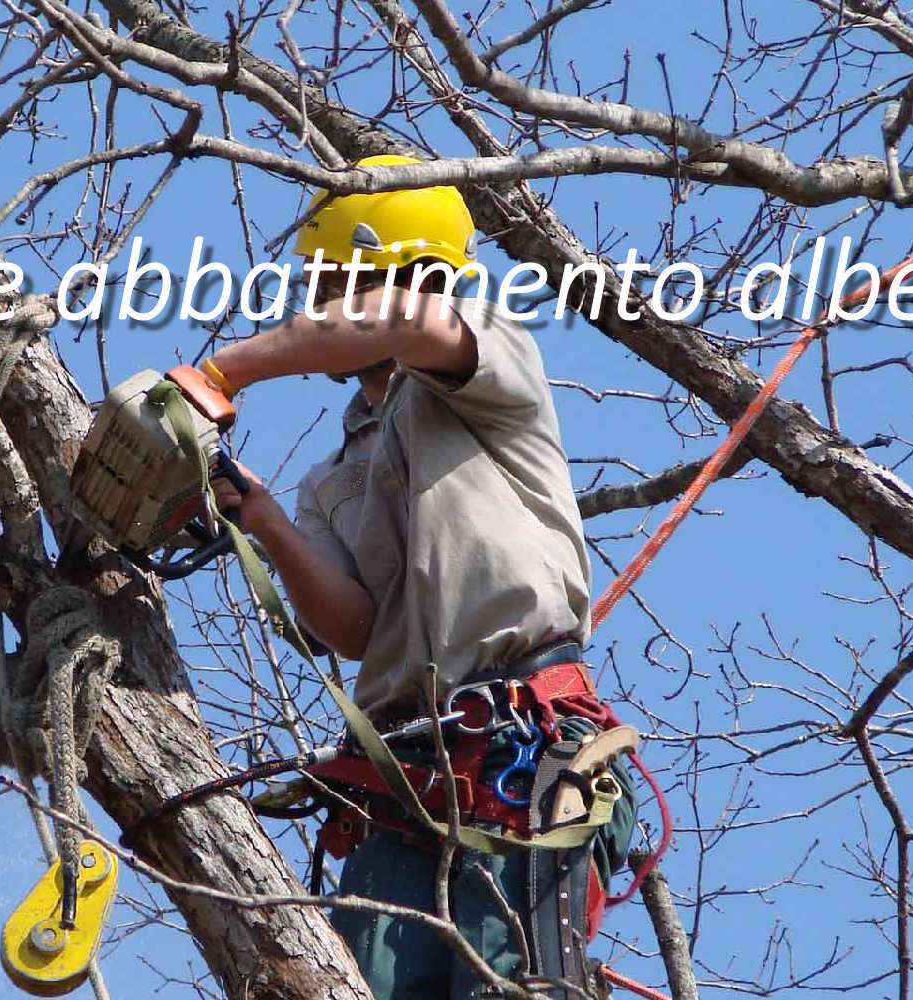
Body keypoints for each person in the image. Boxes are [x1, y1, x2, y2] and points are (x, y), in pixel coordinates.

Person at [196, 155, 635, 998]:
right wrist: (265, 520)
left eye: (329, 282)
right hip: (404, 783)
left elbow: (404, 322)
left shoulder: (486, 358)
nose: (316, 303)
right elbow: (354, 628)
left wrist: (222, 374)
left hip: (524, 751)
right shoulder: (331, 479)